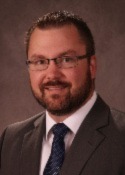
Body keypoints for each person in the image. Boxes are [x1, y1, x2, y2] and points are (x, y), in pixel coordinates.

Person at [0, 10, 125, 175]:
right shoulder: (11, 139)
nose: (52, 74)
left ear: (92, 66)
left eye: (66, 60)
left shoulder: (121, 138)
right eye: (40, 61)